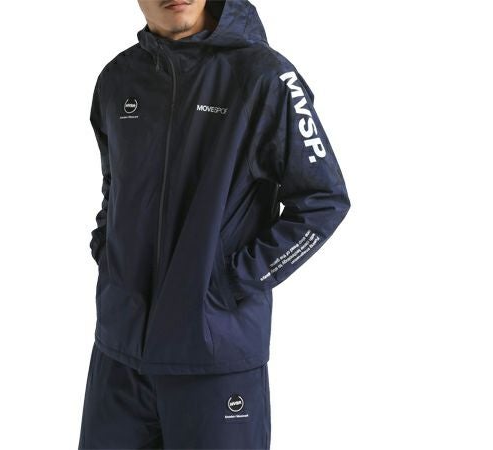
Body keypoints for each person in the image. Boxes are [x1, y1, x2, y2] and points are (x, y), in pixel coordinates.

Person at [78, 0, 351, 448]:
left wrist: (231, 281)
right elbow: (115, 185)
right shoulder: (117, 79)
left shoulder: (264, 77)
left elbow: (323, 200)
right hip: (118, 355)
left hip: (214, 358)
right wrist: (108, 253)